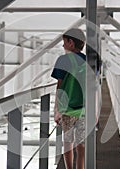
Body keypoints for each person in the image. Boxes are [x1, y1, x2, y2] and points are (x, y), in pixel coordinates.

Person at [51, 28, 86, 169]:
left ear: (71, 42)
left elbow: (60, 88)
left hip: (67, 110)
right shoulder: (90, 60)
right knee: (81, 143)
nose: (63, 45)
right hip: (84, 108)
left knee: (67, 142)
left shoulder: (63, 60)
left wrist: (57, 110)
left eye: (64, 42)